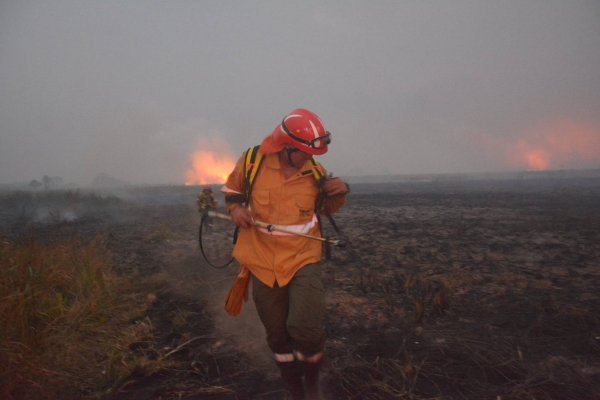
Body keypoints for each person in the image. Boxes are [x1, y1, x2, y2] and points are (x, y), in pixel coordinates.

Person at [221, 108, 349, 399]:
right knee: (277, 336)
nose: (307, 159)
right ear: (285, 146)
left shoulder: (315, 173)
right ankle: (294, 389)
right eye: (302, 152)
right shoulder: (253, 161)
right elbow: (233, 189)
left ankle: (312, 383)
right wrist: (236, 209)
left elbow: (326, 208)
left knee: (305, 330)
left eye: (309, 153)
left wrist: (340, 191)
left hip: (303, 257)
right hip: (262, 259)